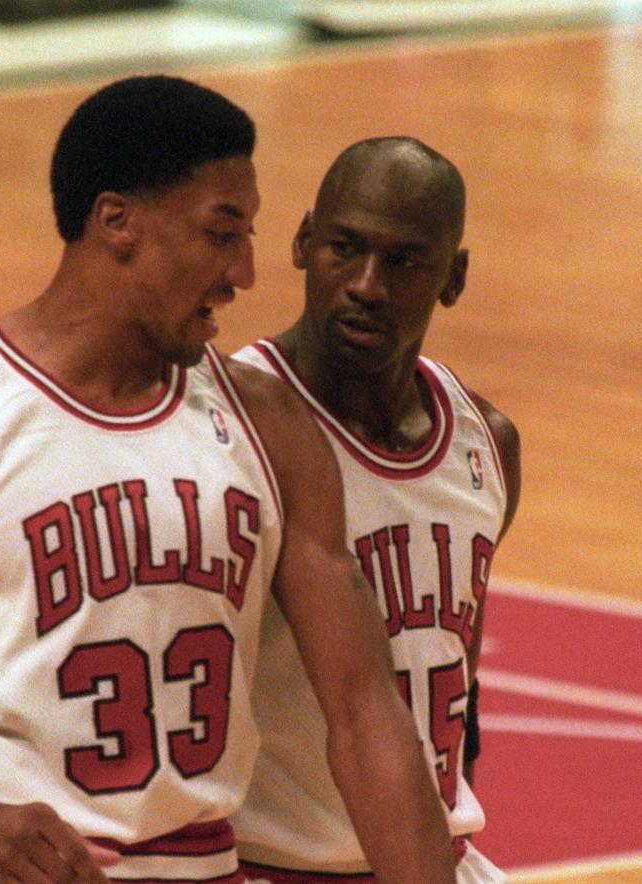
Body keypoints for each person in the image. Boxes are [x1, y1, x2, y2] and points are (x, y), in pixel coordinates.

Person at [0, 77, 459, 884]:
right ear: (116, 221)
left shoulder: (270, 424)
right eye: (222, 233)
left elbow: (366, 716)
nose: (247, 271)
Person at [231, 137, 521, 884]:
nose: (366, 284)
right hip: (270, 865)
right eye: (345, 249)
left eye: (404, 262)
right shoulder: (230, 426)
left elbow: (461, 681)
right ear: (301, 243)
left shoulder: (486, 442)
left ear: (453, 277)